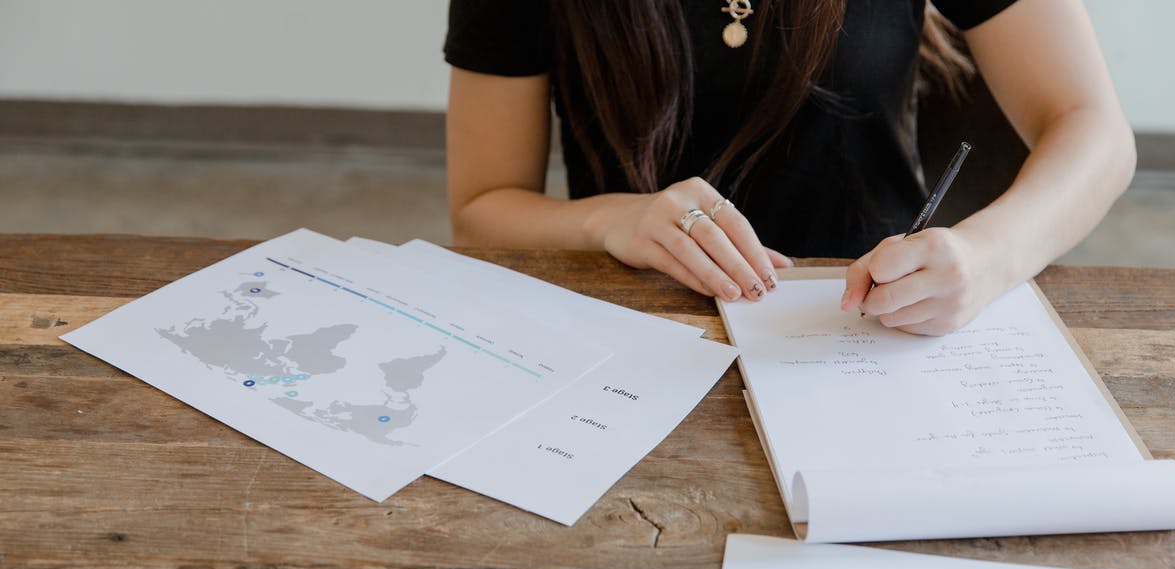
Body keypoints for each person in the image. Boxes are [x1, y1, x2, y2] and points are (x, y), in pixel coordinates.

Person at [443, 0, 1135, 336]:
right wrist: (609, 216)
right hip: (632, 343)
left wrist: (987, 255)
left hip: (877, 330)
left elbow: (1094, 128)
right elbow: (482, 209)